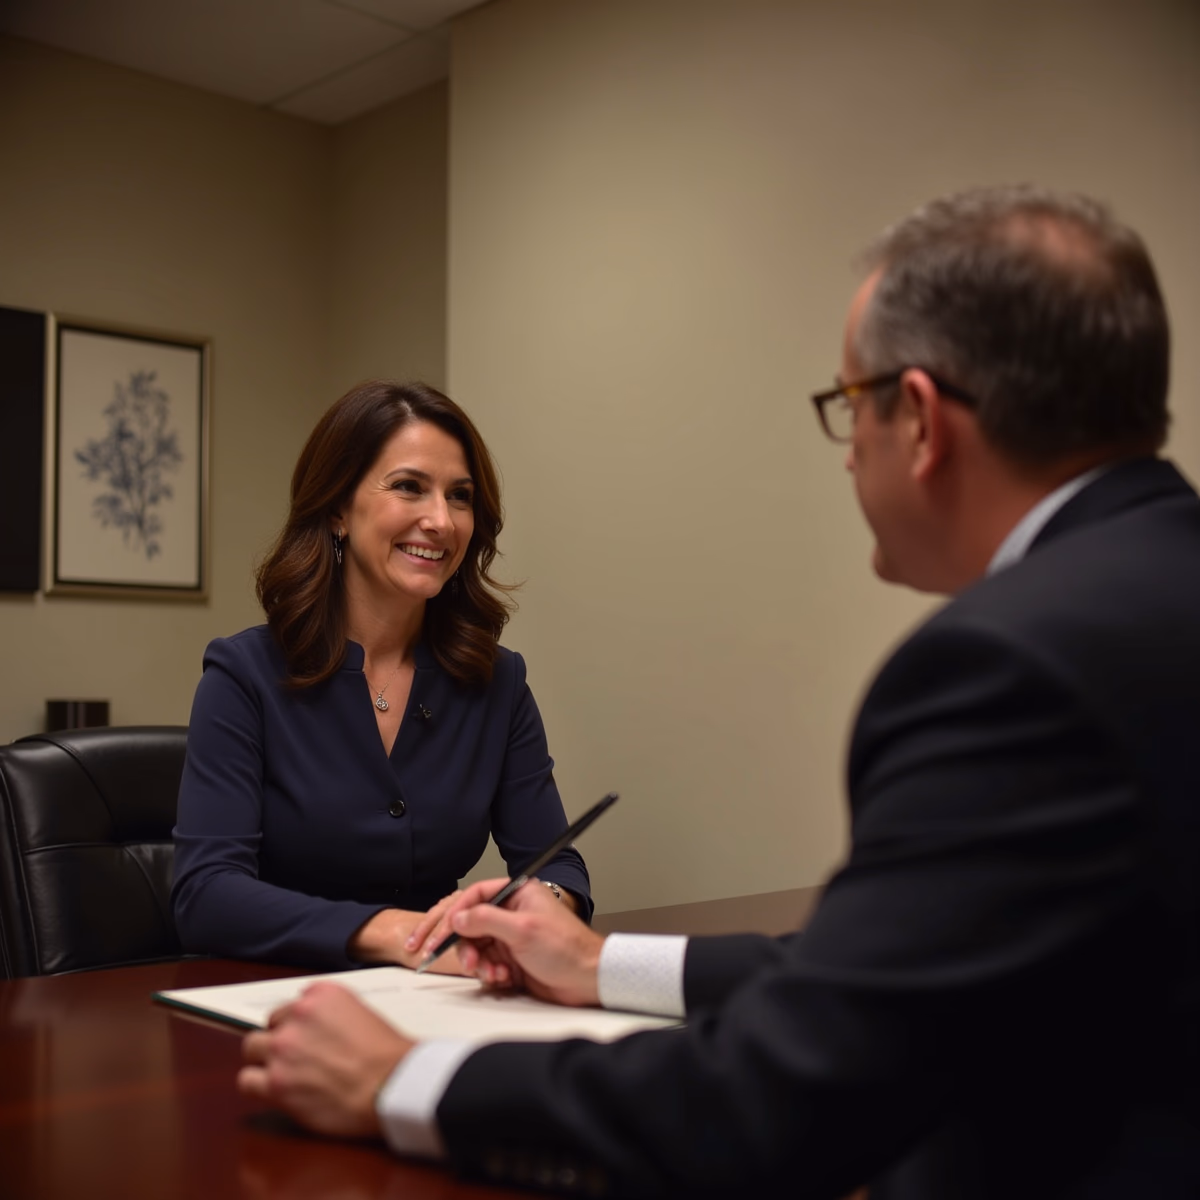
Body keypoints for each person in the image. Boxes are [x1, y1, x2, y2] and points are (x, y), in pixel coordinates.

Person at [237, 188, 1200, 1197]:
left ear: (916, 418)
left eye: (850, 405)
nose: (849, 449)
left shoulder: (1009, 665)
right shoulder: (1147, 603)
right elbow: (895, 981)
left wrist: (406, 1078)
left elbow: (789, 1089)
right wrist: (602, 965)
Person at [172, 381, 591, 972]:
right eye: (409, 488)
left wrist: (538, 906)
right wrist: (405, 934)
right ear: (338, 508)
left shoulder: (497, 682)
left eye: (461, 496)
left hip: (445, 1003)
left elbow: (557, 865)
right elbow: (206, 896)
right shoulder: (243, 676)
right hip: (279, 1004)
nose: (441, 521)